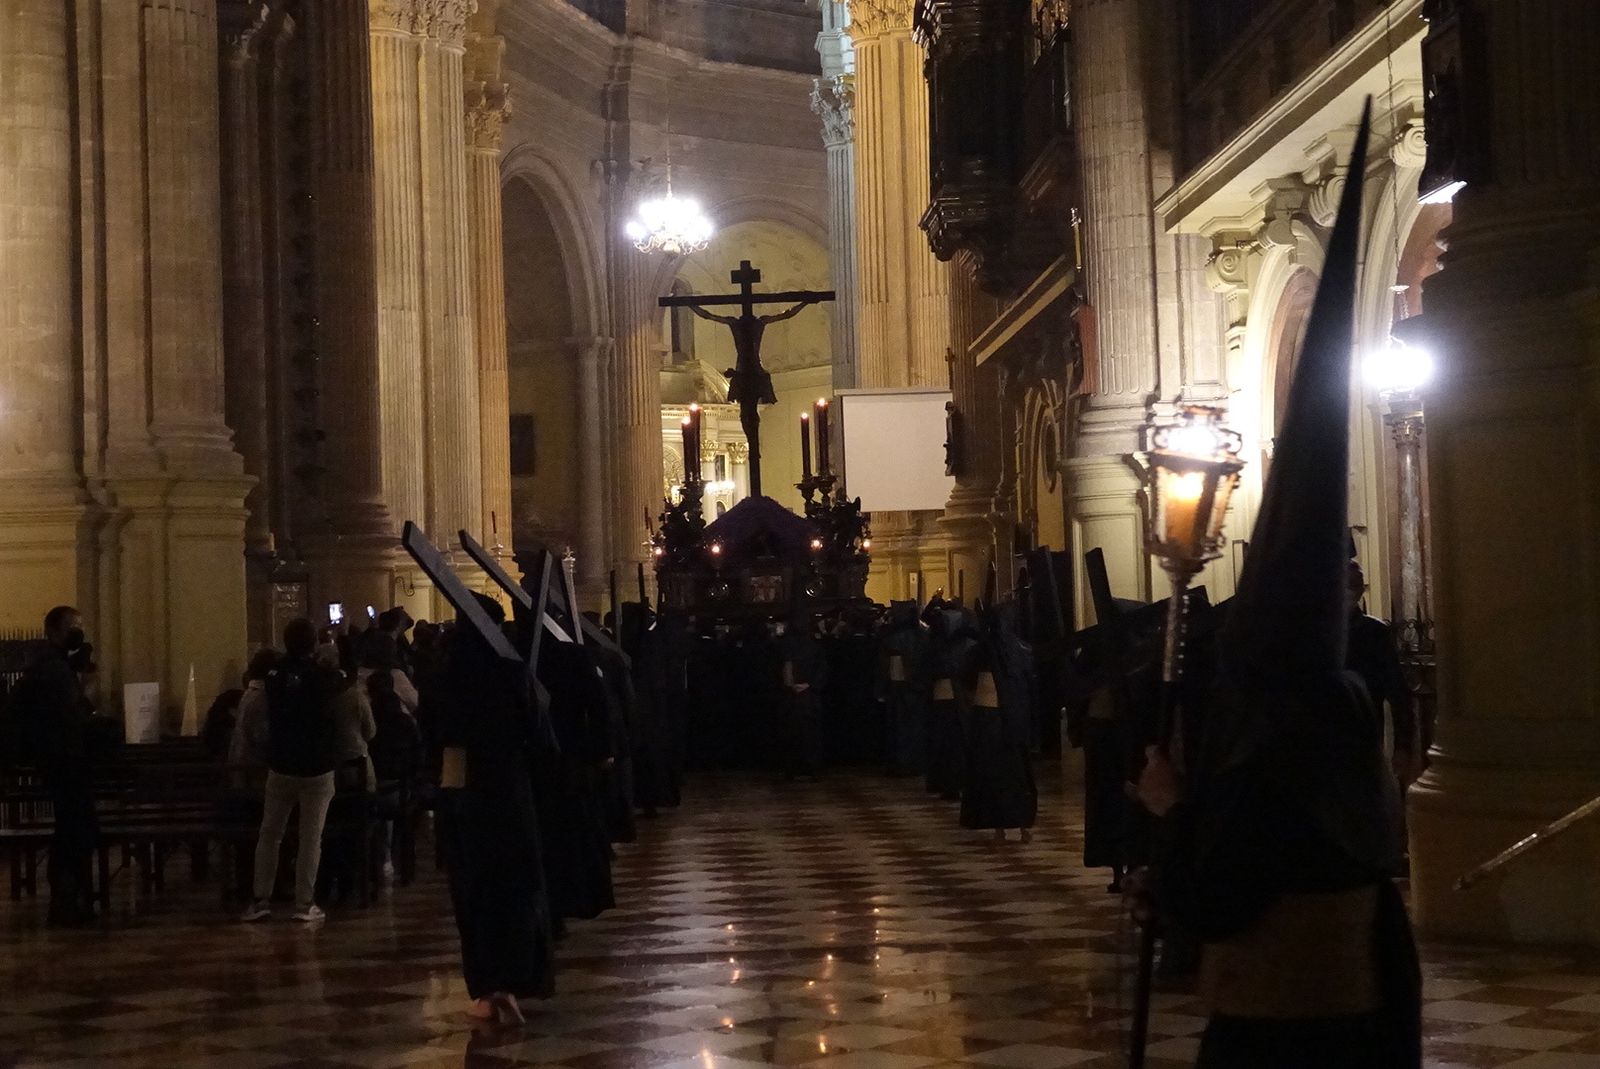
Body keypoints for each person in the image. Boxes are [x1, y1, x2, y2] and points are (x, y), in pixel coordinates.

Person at [1130, 108, 1420, 1068]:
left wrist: (1171, 810)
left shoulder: (1270, 764)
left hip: (1278, 1029)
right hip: (1366, 1021)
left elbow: (1210, 905)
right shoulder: (1344, 733)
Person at [430, 593, 555, 1022]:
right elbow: (539, 736)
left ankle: (485, 985)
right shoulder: (510, 673)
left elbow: (432, 735)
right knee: (515, 887)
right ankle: (514, 979)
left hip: (462, 793)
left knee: (473, 892)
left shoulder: (445, 675)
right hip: (507, 790)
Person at [241, 618, 343, 923]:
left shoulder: (274, 675)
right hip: (316, 767)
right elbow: (342, 681)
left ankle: (261, 899)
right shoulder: (323, 677)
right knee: (312, 836)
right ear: (313, 643)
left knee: (270, 834)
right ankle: (304, 903)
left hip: (281, 763)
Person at [13, 606, 106, 926]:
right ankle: (67, 904)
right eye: (72, 627)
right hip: (64, 762)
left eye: (81, 625)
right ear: (53, 631)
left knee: (75, 830)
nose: (78, 632)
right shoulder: (52, 670)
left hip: (63, 762)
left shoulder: (52, 665)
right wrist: (89, 691)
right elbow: (71, 717)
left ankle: (70, 901)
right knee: (74, 832)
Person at [959, 600, 1037, 843]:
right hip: (1005, 722)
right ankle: (1013, 826)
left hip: (991, 721)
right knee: (1011, 775)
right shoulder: (1020, 650)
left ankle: (1006, 827)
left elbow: (967, 680)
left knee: (998, 775)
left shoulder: (981, 651)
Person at [1347, 557, 1421, 791]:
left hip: (1363, 731)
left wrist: (1403, 744)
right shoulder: (1317, 631)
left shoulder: (1374, 633)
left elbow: (1398, 692)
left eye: (1353, 586)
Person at [877, 601, 931, 778]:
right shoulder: (924, 635)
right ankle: (918, 763)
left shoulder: (893, 638)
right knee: (917, 727)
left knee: (899, 728)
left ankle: (902, 764)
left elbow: (888, 666)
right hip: (919, 688)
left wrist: (883, 689)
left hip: (899, 688)